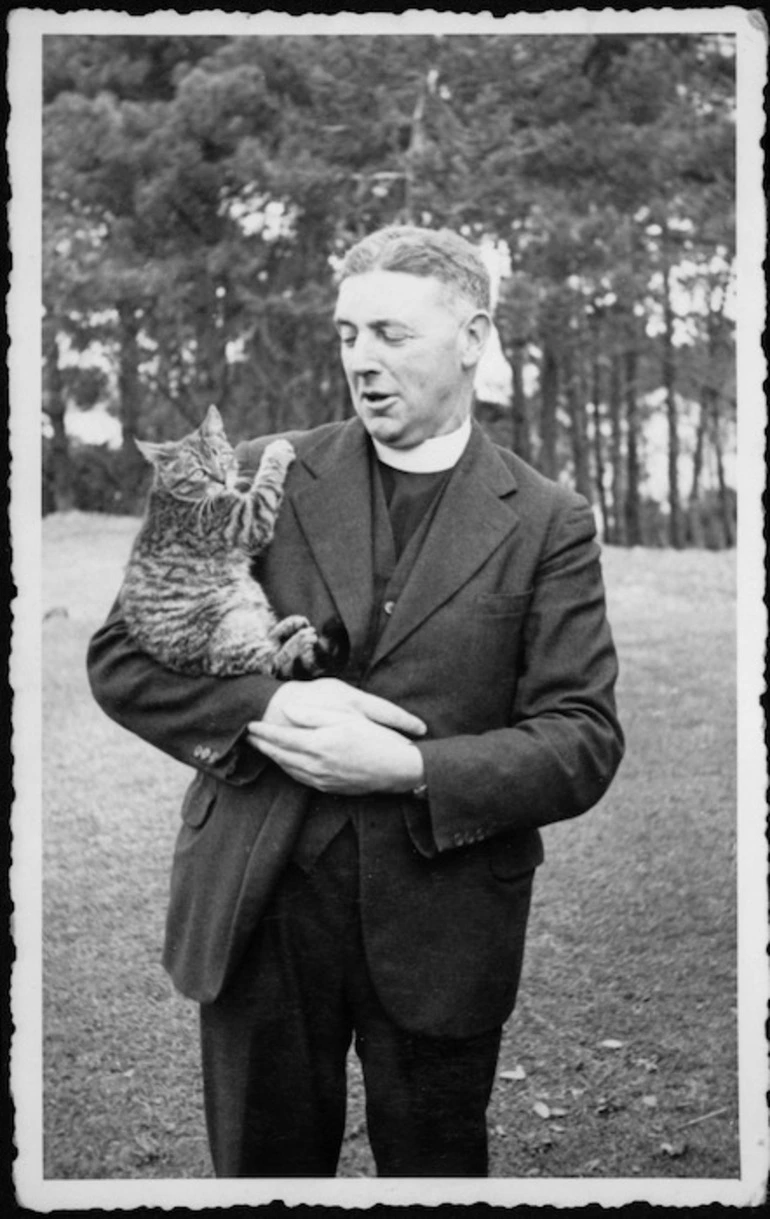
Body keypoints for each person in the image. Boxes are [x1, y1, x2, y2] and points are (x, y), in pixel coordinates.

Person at [87, 225, 624, 1179]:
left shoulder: (548, 520)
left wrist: (413, 767)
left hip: (443, 926)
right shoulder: (258, 469)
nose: (362, 363)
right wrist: (261, 710)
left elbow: (581, 739)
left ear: (473, 337)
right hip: (257, 910)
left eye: (391, 334)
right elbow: (122, 656)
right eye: (346, 335)